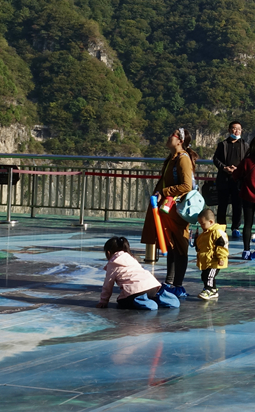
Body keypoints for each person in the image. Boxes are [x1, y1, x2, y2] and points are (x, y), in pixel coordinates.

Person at [141, 127, 198, 298]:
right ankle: (169, 282)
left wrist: (164, 192)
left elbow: (187, 186)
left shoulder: (183, 159)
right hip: (169, 209)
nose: (168, 137)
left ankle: (178, 284)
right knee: (172, 246)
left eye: (172, 135)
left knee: (180, 246)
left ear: (180, 140)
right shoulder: (172, 158)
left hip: (178, 210)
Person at [96, 236, 180, 310]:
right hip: (153, 286)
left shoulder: (112, 263)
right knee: (149, 294)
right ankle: (161, 297)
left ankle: (143, 301)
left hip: (137, 291)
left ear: (108, 252)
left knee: (121, 301)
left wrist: (104, 301)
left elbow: (107, 285)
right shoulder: (131, 258)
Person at [213, 121, 248, 239]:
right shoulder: (222, 144)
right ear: (229, 130)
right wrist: (224, 168)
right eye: (234, 128)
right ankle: (221, 227)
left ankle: (235, 228)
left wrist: (238, 169)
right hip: (224, 179)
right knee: (222, 205)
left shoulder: (245, 145)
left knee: (237, 205)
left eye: (239, 129)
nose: (236, 131)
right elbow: (216, 159)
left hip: (238, 180)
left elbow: (247, 161)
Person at [193, 208, 229, 300]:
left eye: (203, 223)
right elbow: (202, 244)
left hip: (214, 260)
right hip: (207, 260)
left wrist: (221, 257)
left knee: (209, 276)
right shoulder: (205, 233)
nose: (201, 226)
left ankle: (209, 290)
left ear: (211, 222)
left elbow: (222, 246)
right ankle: (212, 289)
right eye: (200, 224)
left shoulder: (217, 232)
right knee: (205, 275)